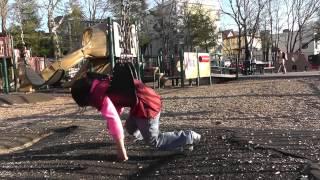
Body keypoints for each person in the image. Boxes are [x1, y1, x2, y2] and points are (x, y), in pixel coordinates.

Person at [71, 73, 201, 159]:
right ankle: (145, 135)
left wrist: (121, 149)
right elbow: (117, 102)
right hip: (140, 100)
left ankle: (189, 137)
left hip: (146, 106)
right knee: (130, 128)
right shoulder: (99, 83)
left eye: (87, 104)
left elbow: (114, 120)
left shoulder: (98, 96)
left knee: (154, 141)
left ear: (86, 98)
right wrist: (112, 121)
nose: (90, 105)